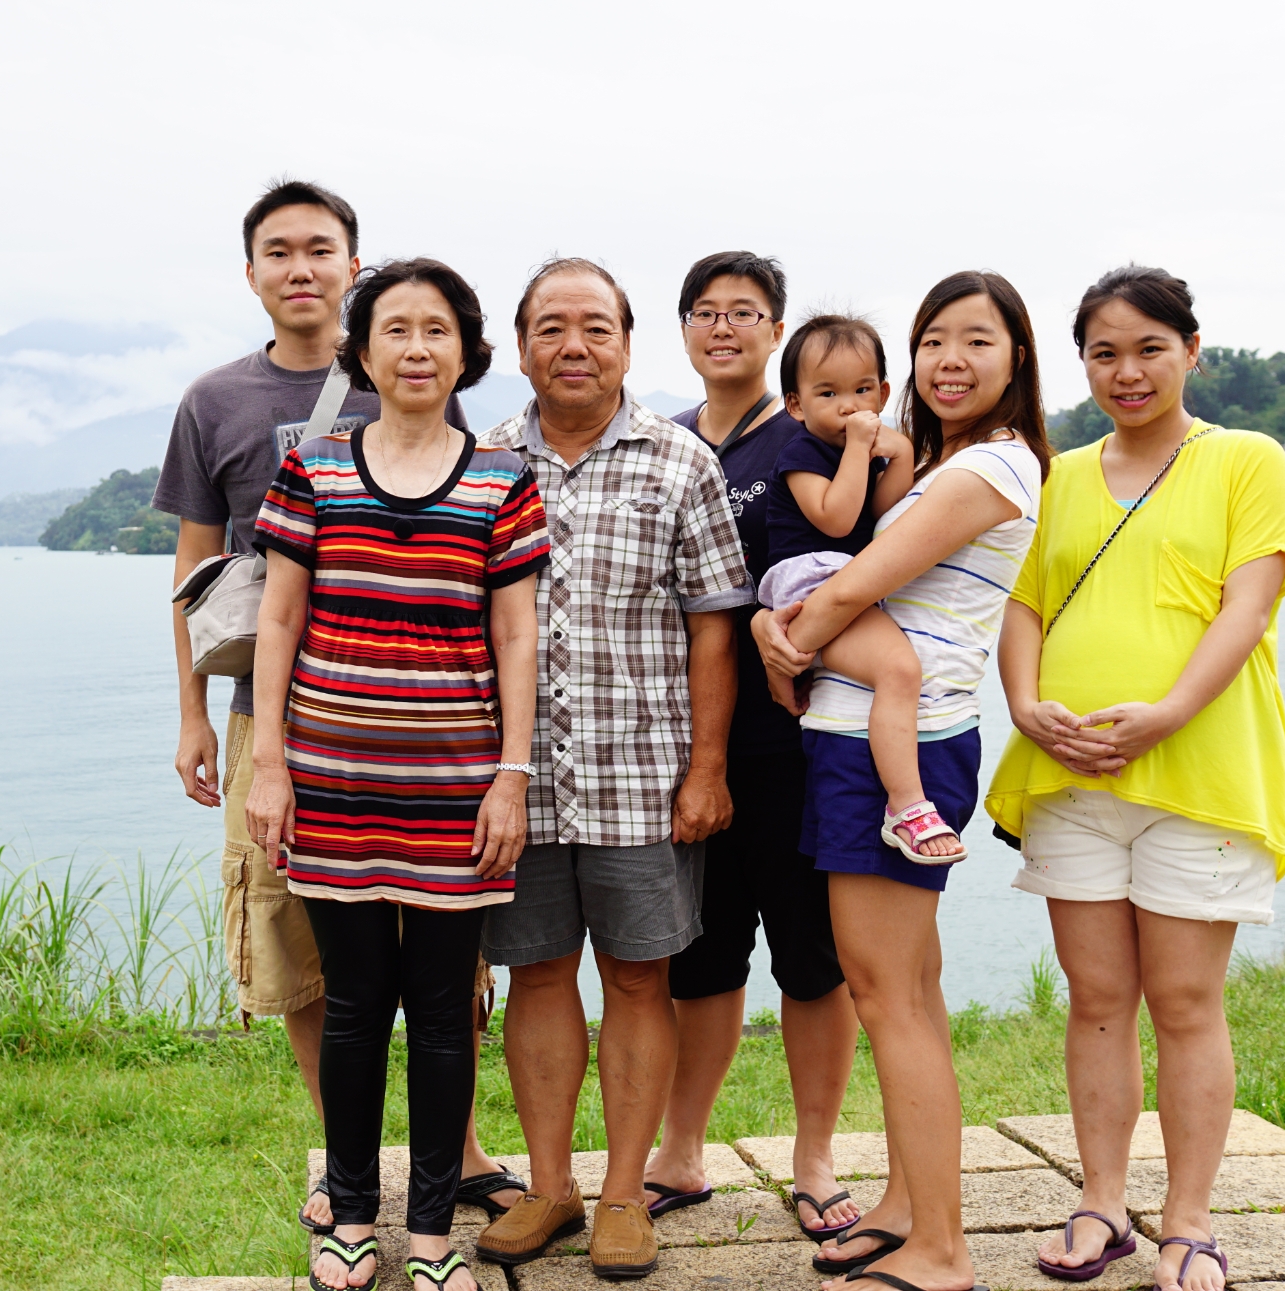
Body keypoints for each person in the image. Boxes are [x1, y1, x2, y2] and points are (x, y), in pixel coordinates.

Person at [150, 181, 504, 1236]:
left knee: (442, 949)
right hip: (273, 718)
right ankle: (341, 1153)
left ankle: (459, 1149)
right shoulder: (214, 401)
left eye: (319, 249)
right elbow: (193, 570)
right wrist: (192, 713)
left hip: (426, 725)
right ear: (250, 272)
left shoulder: (412, 371)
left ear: (354, 267)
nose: (298, 268)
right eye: (278, 251)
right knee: (299, 942)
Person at [987, 266, 1285, 1291]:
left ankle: (1188, 1221)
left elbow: (1245, 607)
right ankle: (1101, 1203)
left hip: (1199, 774)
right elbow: (1024, 605)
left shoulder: (1244, 459)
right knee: (1096, 998)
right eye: (1103, 353)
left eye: (1148, 349)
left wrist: (1164, 714)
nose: (1126, 371)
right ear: (1080, 362)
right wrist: (1024, 703)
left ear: (1190, 352)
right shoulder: (1059, 475)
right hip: (1071, 775)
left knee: (1185, 1001)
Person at [245, 257, 549, 1291]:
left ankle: (426, 1232)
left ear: (466, 351)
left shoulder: (503, 479)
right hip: (333, 784)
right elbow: (279, 619)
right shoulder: (316, 469)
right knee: (353, 1005)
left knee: (444, 1011)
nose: (416, 349)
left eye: (436, 330)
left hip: (457, 791)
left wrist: (510, 777)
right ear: (363, 352)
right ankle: (349, 1216)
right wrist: (269, 766)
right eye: (395, 330)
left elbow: (516, 636)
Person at [757, 271, 1052, 1291]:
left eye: (976, 340)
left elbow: (855, 583)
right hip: (877, 739)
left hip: (892, 752)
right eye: (932, 341)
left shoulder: (991, 468)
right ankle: (908, 1205)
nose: (949, 360)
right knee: (911, 991)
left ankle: (941, 1250)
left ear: (1017, 357)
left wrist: (778, 635)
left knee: (885, 996)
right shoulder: (944, 462)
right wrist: (780, 628)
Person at [473, 258, 751, 1281]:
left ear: (628, 343)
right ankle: (551, 1187)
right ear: (520, 348)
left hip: (643, 770)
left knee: (640, 977)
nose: (574, 346)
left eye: (595, 326)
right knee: (538, 971)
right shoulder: (483, 461)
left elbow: (713, 627)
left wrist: (707, 768)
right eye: (551, 327)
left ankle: (625, 1193)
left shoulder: (681, 462)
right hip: (518, 779)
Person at [655, 253, 863, 1242]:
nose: (723, 327)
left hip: (797, 738)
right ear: (683, 330)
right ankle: (680, 1151)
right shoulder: (661, 443)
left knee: (811, 956)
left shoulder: (811, 432)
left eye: (744, 312)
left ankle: (815, 1158)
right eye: (705, 312)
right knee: (699, 955)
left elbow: (865, 557)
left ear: (776, 331)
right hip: (684, 743)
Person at [763, 314, 956, 863]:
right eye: (828, 393)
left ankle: (905, 800)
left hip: (845, 578)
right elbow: (838, 518)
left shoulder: (866, 447)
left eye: (862, 390)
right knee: (899, 670)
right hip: (810, 578)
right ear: (796, 404)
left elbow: (884, 511)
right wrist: (858, 447)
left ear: (884, 393)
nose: (848, 406)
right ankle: (907, 805)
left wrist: (898, 451)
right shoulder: (800, 453)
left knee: (896, 670)